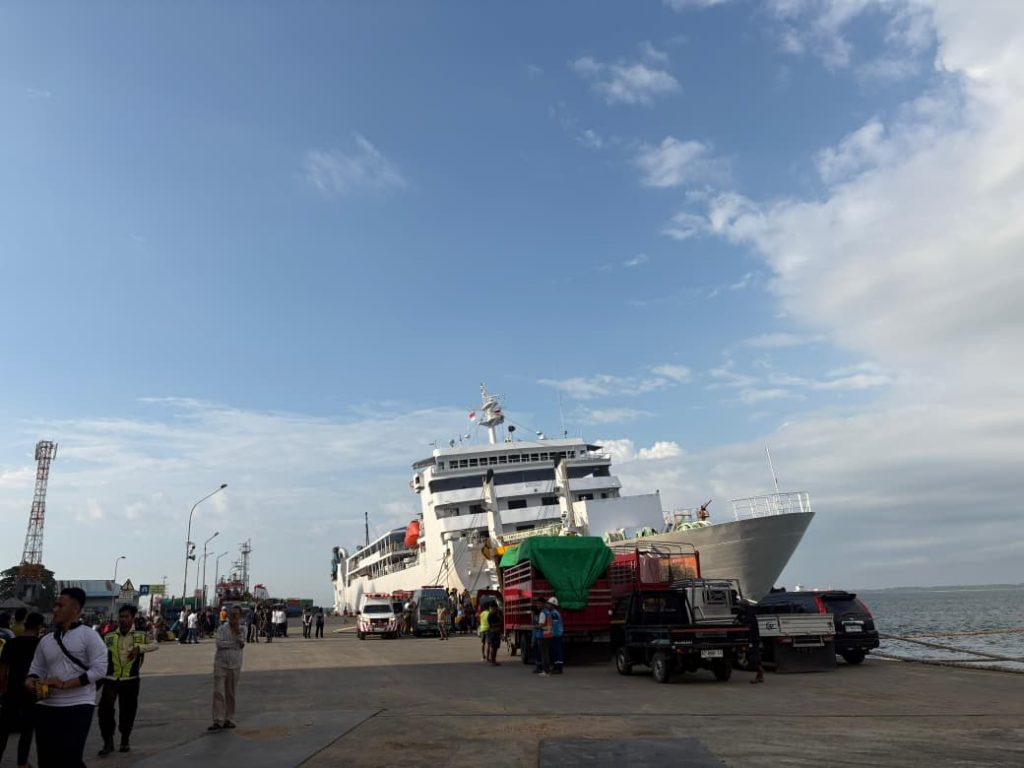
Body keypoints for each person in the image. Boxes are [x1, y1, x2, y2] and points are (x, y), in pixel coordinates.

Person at [24, 586, 108, 768]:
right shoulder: (46, 640)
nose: (55, 609)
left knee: (69, 759)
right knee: (46, 760)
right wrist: (31, 681)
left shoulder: (89, 636)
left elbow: (100, 669)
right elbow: (36, 667)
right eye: (55, 605)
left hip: (78, 706)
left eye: (60, 605)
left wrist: (65, 684)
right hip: (46, 706)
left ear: (75, 609)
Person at [97, 604, 158, 755]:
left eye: (126, 616)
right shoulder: (109, 636)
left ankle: (125, 739)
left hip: (131, 679)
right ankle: (108, 741)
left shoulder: (141, 635)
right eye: (121, 616)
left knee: (128, 711)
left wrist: (139, 649)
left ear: (133, 618)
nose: (123, 619)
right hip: (111, 679)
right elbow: (99, 653)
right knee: (104, 710)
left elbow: (155, 645)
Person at [0, 611, 44, 768]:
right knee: (27, 730)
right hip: (32, 692)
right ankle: (22, 763)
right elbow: (45, 672)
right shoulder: (41, 645)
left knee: (3, 730)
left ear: (25, 625)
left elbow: (2, 671)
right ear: (39, 627)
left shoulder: (11, 643)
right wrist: (43, 695)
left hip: (11, 691)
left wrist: (3, 690)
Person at [209, 606, 245, 731]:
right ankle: (218, 720)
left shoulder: (243, 629)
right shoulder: (221, 629)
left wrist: (236, 633)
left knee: (230, 693)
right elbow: (219, 644)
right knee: (218, 691)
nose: (234, 617)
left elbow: (241, 643)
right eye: (232, 614)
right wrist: (233, 643)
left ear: (240, 616)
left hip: (235, 664)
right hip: (221, 663)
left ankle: (229, 719)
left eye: (236, 614)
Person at [741, 603, 765, 684]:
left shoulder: (750, 614)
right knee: (754, 655)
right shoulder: (749, 613)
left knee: (753, 657)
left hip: (753, 639)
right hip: (754, 638)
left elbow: (747, 623)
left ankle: (760, 672)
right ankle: (760, 675)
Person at [532, 597, 551, 676]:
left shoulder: (542, 613)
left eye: (539, 604)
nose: (537, 605)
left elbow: (541, 625)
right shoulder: (547, 612)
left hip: (542, 635)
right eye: (537, 604)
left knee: (543, 654)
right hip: (547, 634)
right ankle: (547, 670)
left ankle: (545, 671)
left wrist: (534, 626)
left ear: (543, 604)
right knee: (546, 653)